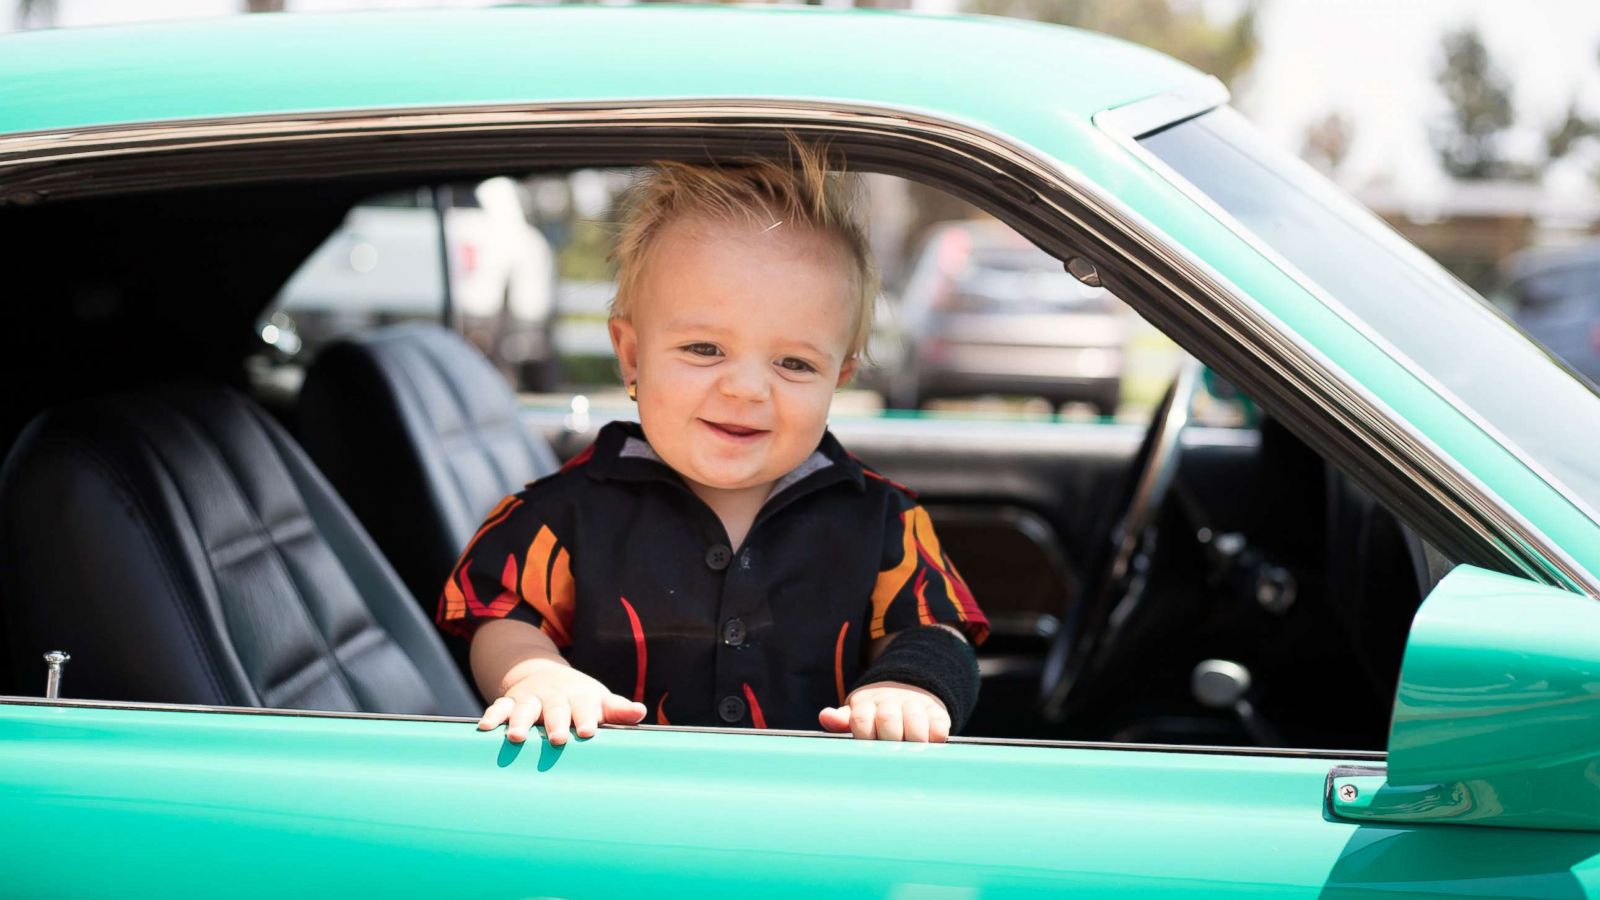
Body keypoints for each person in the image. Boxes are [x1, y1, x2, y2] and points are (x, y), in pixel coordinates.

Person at [437, 141, 987, 745]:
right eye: (705, 349)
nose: (748, 388)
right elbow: (502, 617)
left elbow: (936, 630)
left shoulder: (884, 520)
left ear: (840, 378)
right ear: (631, 354)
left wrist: (910, 685)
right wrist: (537, 675)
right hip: (614, 814)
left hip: (813, 816)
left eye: (794, 363)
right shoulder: (558, 514)